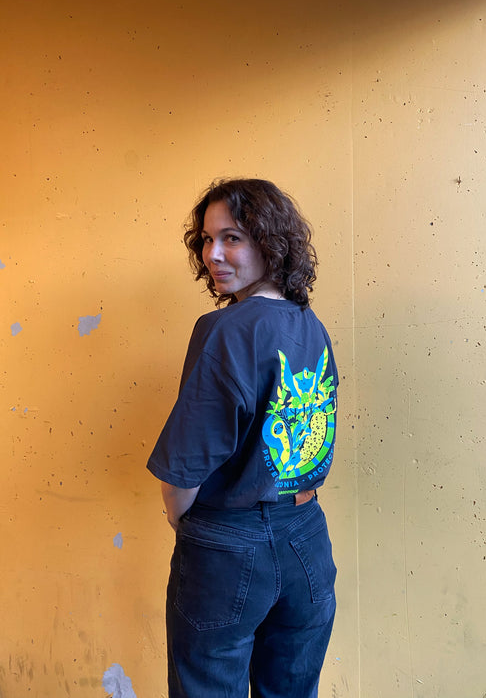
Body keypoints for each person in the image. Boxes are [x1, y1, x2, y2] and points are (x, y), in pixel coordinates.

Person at [147, 178, 338, 698]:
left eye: (232, 238)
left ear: (270, 242)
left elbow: (183, 468)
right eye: (207, 240)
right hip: (307, 538)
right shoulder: (310, 324)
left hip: (229, 541)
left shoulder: (224, 329)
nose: (213, 254)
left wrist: (186, 523)